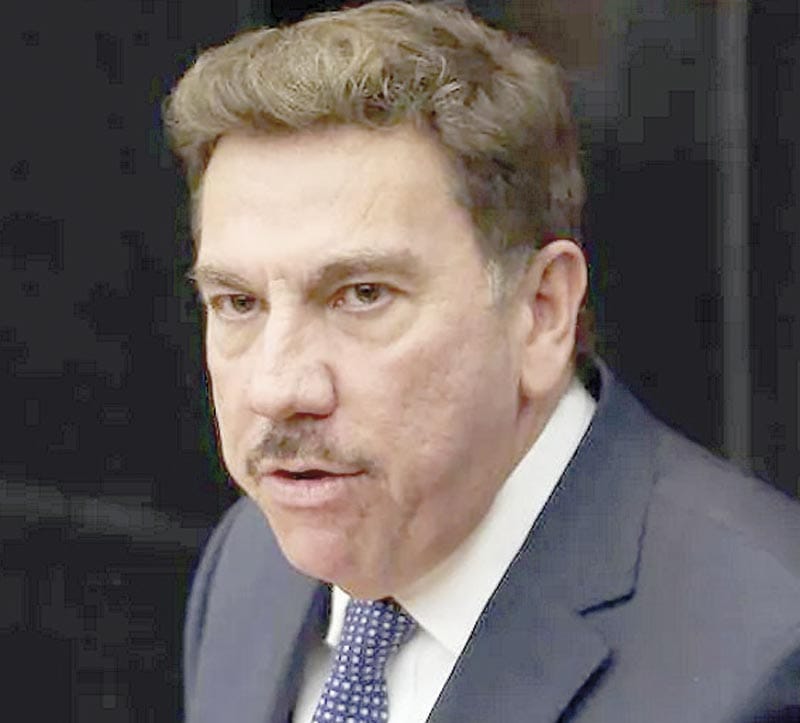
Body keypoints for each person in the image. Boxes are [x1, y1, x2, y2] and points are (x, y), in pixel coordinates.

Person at [163, 2, 800, 721]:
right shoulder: (252, 561)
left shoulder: (767, 657)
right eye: (238, 302)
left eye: (362, 295)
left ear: (541, 310)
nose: (278, 388)